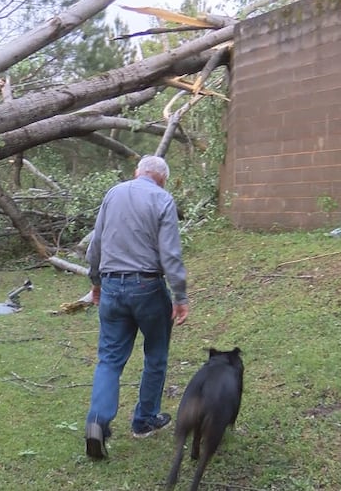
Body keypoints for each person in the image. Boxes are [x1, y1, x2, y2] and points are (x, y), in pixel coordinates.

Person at [84, 155, 190, 460]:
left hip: (112, 286)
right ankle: (144, 420)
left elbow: (96, 245)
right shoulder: (162, 198)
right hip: (147, 288)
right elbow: (170, 254)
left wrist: (96, 282)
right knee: (155, 355)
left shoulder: (113, 193)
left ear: (137, 173)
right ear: (162, 179)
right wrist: (180, 296)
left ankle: (97, 422)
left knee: (109, 359)